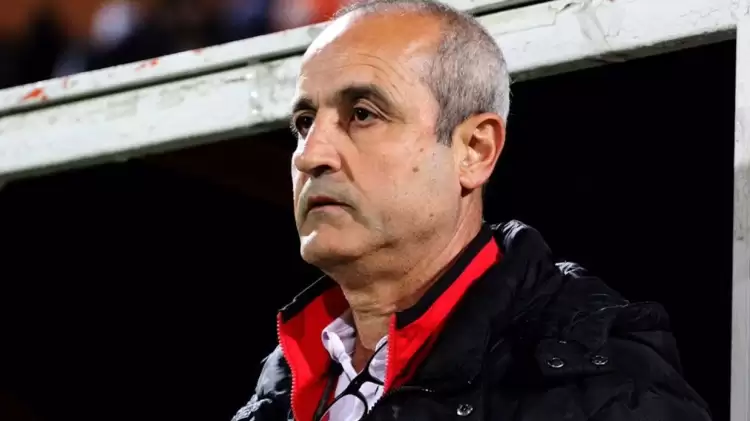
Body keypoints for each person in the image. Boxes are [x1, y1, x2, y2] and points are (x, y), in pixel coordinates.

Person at [232, 0, 712, 420]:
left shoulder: (604, 386)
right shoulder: (275, 392)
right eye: (305, 122)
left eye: (363, 114)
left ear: (475, 150)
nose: (309, 155)